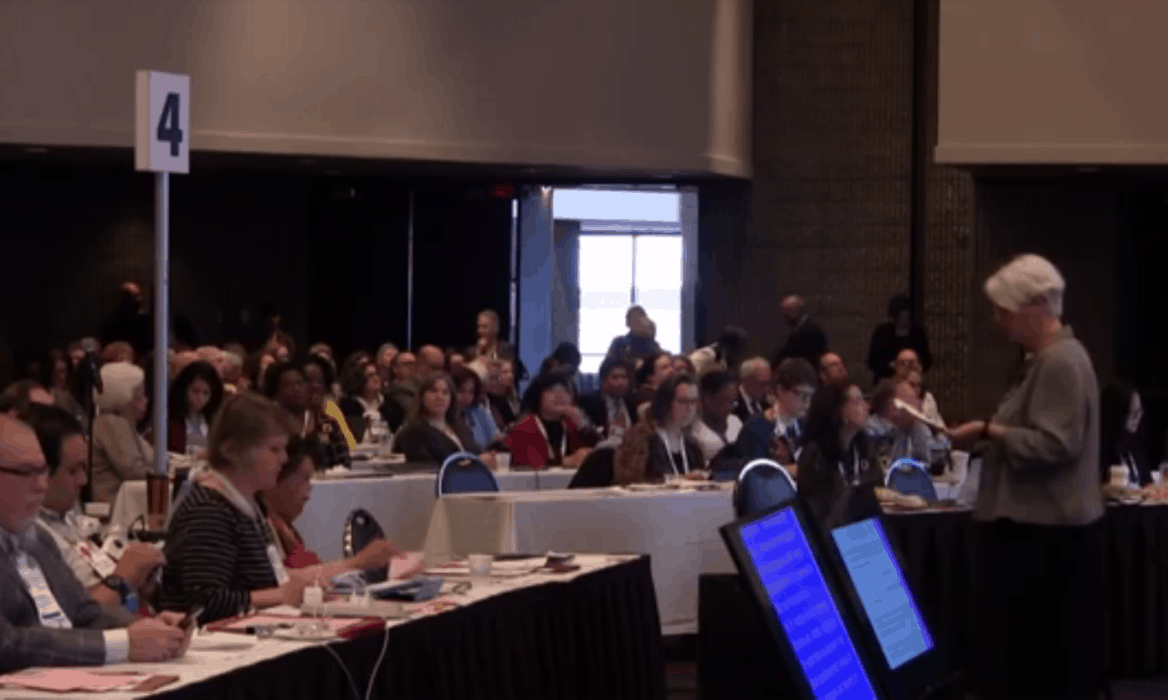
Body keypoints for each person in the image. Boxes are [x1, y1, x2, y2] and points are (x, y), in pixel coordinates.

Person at [946, 254, 1103, 700]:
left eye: (1005, 309)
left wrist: (989, 431)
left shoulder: (1059, 363)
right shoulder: (1046, 361)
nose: (999, 320)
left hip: (1041, 540)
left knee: (1034, 665)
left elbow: (1055, 445)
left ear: (1037, 305)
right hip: (1038, 535)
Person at [0, 415, 189, 672]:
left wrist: (146, 628)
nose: (41, 485)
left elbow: (85, 613)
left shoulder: (38, 539)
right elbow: (7, 645)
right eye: (25, 472)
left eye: (42, 470)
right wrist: (122, 643)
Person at [160, 394, 314, 624]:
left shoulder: (248, 505)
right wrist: (279, 596)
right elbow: (203, 602)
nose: (284, 459)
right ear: (231, 450)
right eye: (274, 449)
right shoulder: (209, 510)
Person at [27, 404, 165, 614]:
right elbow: (74, 617)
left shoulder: (69, 518)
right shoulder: (30, 537)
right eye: (73, 471)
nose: (83, 480)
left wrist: (136, 588)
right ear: (39, 474)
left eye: (84, 467)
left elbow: (115, 601)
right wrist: (125, 577)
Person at [265, 436, 402, 573]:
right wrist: (359, 563)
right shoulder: (264, 529)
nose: (309, 489)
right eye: (305, 479)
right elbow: (286, 584)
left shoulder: (286, 529)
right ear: (276, 477)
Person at [796, 382, 882, 525]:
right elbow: (818, 513)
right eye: (858, 401)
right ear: (839, 410)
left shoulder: (864, 448)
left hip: (865, 529)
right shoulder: (815, 455)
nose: (867, 407)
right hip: (829, 534)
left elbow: (877, 491)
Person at [614, 374, 705, 485]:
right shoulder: (640, 437)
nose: (690, 408)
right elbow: (628, 481)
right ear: (665, 402)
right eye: (683, 402)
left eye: (693, 402)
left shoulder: (692, 444)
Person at [393, 374, 495, 466]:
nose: (440, 397)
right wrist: (473, 463)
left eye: (445, 392)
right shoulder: (412, 432)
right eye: (433, 391)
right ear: (422, 396)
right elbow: (425, 468)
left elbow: (476, 453)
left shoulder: (459, 427)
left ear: (451, 398)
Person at [264, 362, 350, 469]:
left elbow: (344, 464)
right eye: (288, 385)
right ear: (276, 394)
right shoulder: (268, 428)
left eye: (300, 383)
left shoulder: (326, 425)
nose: (296, 389)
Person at [90, 363, 153, 503]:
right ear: (122, 398)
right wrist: (168, 474)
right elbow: (134, 470)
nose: (146, 401)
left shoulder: (116, 423)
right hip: (117, 507)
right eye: (139, 397)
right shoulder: (112, 423)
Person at [505, 373, 596, 469]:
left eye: (566, 391)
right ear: (538, 395)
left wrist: (583, 425)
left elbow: (600, 454)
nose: (560, 395)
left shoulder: (571, 425)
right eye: (552, 390)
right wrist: (565, 461)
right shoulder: (524, 427)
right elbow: (529, 466)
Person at [738, 358, 818, 467]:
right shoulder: (756, 427)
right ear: (780, 390)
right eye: (802, 395)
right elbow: (753, 473)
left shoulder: (805, 426)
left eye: (810, 396)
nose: (807, 404)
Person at [866, 294, 932, 383]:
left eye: (908, 317)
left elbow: (926, 360)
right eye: (902, 317)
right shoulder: (882, 333)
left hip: (911, 380)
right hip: (887, 381)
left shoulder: (917, 334)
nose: (905, 320)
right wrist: (892, 368)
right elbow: (873, 361)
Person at [1099, 382, 1152, 487]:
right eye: (1132, 414)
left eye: (1139, 412)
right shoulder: (1100, 453)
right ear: (1116, 414)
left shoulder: (1136, 448)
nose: (1137, 418)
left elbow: (1148, 484)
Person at [167, 361, 224, 456]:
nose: (200, 399)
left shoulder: (214, 420)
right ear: (184, 389)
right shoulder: (168, 419)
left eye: (206, 393)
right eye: (195, 391)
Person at [303, 355, 357, 452]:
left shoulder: (330, 408)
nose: (315, 386)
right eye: (308, 380)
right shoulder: (290, 414)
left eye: (319, 381)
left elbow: (350, 445)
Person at [577, 358, 638, 442]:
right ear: (603, 381)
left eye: (624, 378)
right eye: (615, 378)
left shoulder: (633, 402)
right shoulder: (588, 402)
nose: (621, 382)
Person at [338, 362, 401, 444]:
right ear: (360, 379)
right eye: (370, 376)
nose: (376, 379)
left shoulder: (392, 405)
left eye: (377, 374)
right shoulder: (348, 406)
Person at [689, 370, 743, 462]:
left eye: (733, 402)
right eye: (724, 401)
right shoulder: (692, 430)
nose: (729, 408)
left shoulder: (736, 422)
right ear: (707, 398)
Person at [451, 367, 502, 451]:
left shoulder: (478, 411)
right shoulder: (444, 416)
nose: (466, 397)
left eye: (471, 392)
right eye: (461, 390)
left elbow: (496, 438)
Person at [773, 295, 829, 367]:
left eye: (786, 314)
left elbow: (793, 354)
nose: (785, 318)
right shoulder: (801, 329)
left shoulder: (810, 331)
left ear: (795, 311)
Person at [485, 358, 521, 430]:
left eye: (511, 371)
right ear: (495, 375)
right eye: (505, 372)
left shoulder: (511, 395)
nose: (510, 375)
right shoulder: (489, 399)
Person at [732, 357, 772, 423]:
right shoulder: (731, 405)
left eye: (768, 383)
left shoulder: (766, 406)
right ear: (745, 380)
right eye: (761, 384)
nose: (766, 388)